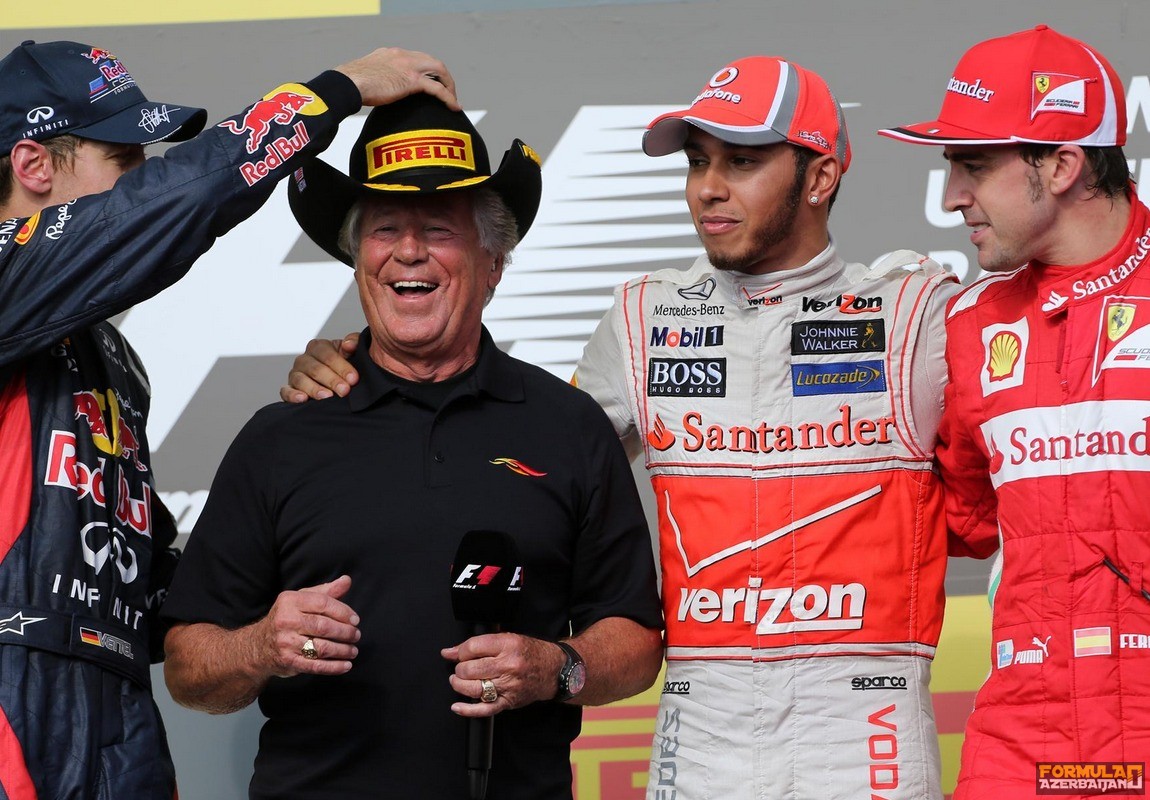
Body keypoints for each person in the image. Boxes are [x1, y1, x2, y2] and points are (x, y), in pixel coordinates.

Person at [285, 57, 959, 800]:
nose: (708, 186)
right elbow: (519, 450)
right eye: (698, 161)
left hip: (863, 728)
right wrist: (367, 360)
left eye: (742, 161)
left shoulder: (913, 313)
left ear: (821, 178)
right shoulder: (647, 318)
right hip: (704, 732)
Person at [160, 93, 664, 800]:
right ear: (358, 259)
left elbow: (636, 641)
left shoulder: (569, 426)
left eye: (439, 228)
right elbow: (188, 667)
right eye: (385, 227)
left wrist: (558, 667)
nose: (408, 250)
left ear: (494, 263)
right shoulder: (283, 435)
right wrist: (259, 644)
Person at [0, 38, 457, 799]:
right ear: (34, 166)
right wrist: (332, 94)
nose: (141, 179)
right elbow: (167, 208)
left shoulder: (113, 359)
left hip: (115, 712)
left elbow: (150, 581)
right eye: (124, 160)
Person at [880, 24, 1150, 799]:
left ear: (1062, 165)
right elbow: (962, 518)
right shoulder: (968, 325)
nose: (952, 194)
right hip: (1024, 735)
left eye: (973, 165)